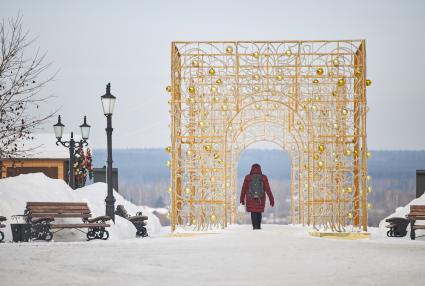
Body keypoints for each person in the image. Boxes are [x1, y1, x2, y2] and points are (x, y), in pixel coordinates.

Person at [240, 163, 274, 230]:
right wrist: (271, 199)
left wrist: (242, 199)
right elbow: (268, 189)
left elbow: (243, 189)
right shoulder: (263, 177)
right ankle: (258, 226)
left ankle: (254, 226)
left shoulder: (248, 177)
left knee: (253, 212)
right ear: (260, 169)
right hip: (260, 198)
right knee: (259, 211)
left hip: (250, 198)